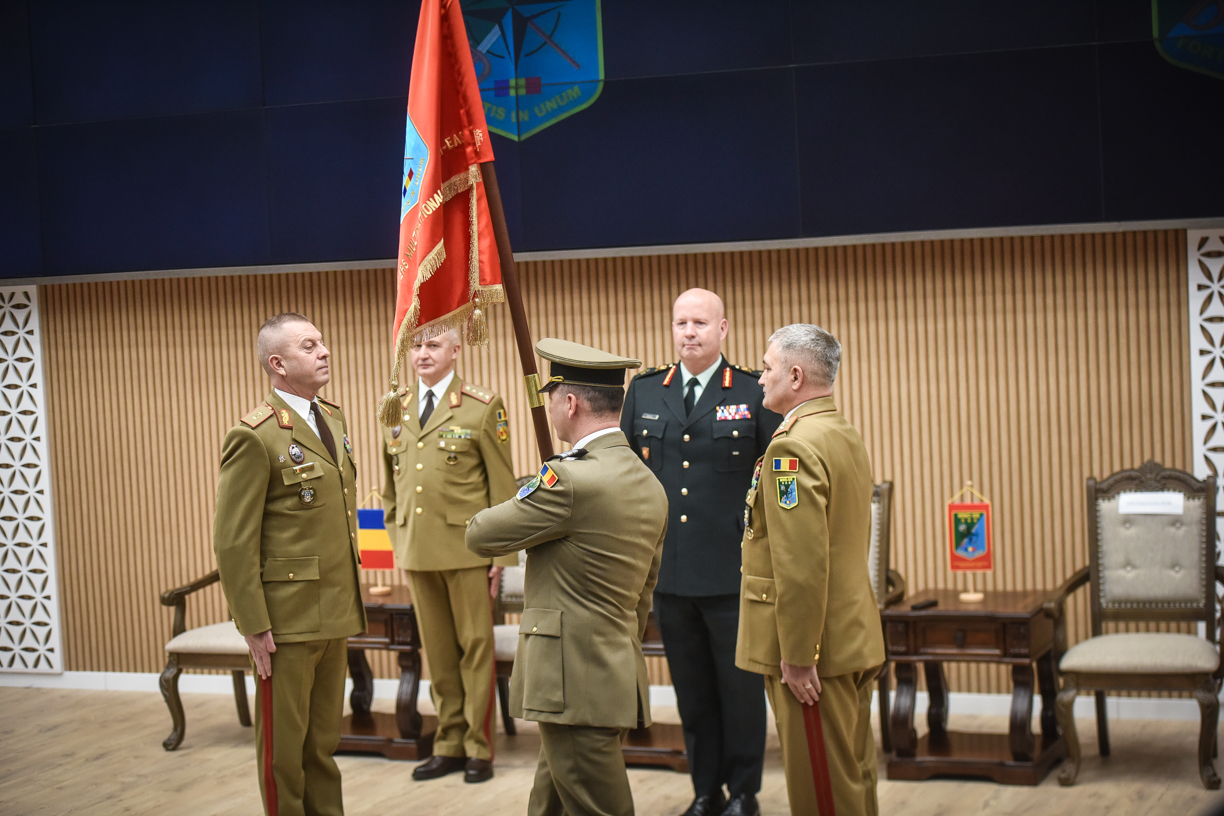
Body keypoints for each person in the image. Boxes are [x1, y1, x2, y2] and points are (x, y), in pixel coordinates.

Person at [466, 338, 668, 816]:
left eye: (551, 398)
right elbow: (643, 595)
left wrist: (537, 495)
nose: (551, 409)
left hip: (570, 680)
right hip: (609, 672)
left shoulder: (570, 481)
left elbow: (481, 534)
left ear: (570, 402)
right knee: (550, 804)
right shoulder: (648, 482)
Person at [620, 288, 779, 816]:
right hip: (669, 572)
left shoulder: (756, 392)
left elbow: (778, 479)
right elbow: (624, 477)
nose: (689, 332)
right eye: (680, 323)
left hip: (733, 572)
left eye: (700, 323)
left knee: (739, 691)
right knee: (691, 692)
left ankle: (745, 794)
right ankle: (705, 790)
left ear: (723, 330)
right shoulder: (644, 392)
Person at [213, 313, 366, 816]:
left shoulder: (333, 418)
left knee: (323, 747)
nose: (323, 351)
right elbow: (234, 542)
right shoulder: (254, 435)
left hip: (335, 612)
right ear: (277, 364)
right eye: (308, 346)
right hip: (286, 621)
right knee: (284, 756)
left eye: (322, 342)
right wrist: (253, 624)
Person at [736, 323, 885, 816]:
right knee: (852, 776)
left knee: (823, 792)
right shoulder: (840, 430)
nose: (760, 378)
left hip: (814, 653)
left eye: (767, 367)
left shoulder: (792, 448)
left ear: (795, 375)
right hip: (850, 635)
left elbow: (802, 565)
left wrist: (799, 655)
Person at [380, 328, 518, 784]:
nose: (421, 353)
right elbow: (391, 485)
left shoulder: (482, 405)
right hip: (418, 551)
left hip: (469, 551)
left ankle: (479, 748)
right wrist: (397, 538)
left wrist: (501, 556)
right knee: (438, 655)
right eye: (416, 345)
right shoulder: (394, 406)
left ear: (456, 351)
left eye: (433, 345)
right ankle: (449, 743)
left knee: (476, 651)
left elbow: (502, 487)